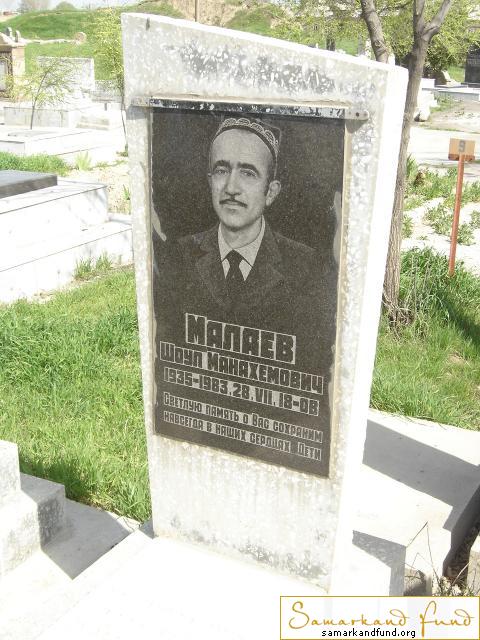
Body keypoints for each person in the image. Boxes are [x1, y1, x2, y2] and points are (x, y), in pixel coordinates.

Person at [154, 116, 330, 372]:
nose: (231, 188)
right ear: (210, 181)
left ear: (271, 192)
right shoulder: (179, 256)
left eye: (248, 173)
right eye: (222, 170)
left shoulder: (305, 266)